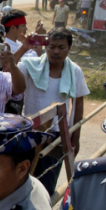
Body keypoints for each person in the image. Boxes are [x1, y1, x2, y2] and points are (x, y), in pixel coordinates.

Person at [18, 28, 89, 195]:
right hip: (31, 132)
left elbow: (78, 103)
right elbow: (8, 70)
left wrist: (75, 137)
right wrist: (24, 48)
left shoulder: (74, 71)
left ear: (69, 48)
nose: (56, 51)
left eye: (61, 47)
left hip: (57, 136)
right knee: (22, 180)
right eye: (51, 47)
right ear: (45, 47)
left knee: (47, 182)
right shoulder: (31, 66)